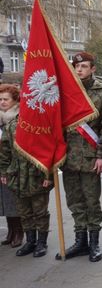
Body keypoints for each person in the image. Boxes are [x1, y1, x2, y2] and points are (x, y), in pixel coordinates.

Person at [57, 52, 102, 262]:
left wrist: (101, 155)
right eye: (76, 66)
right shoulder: (65, 91)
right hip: (69, 157)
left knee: (92, 202)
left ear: (93, 69)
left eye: (83, 66)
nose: (79, 69)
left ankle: (94, 243)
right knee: (74, 202)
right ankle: (80, 241)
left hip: (91, 157)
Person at [0, 98, 52, 257]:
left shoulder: (41, 125)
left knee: (40, 212)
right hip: (17, 176)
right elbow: (5, 152)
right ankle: (30, 241)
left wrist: (48, 175)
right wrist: (4, 172)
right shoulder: (11, 126)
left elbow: (50, 151)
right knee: (25, 212)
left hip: (37, 175)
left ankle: (42, 243)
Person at [0, 84, 23, 248]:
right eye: (0, 99)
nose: (2, 102)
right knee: (4, 200)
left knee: (14, 199)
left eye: (5, 99)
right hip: (2, 163)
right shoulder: (1, 117)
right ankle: (11, 230)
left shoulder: (20, 117)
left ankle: (19, 231)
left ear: (15, 100)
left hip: (16, 166)